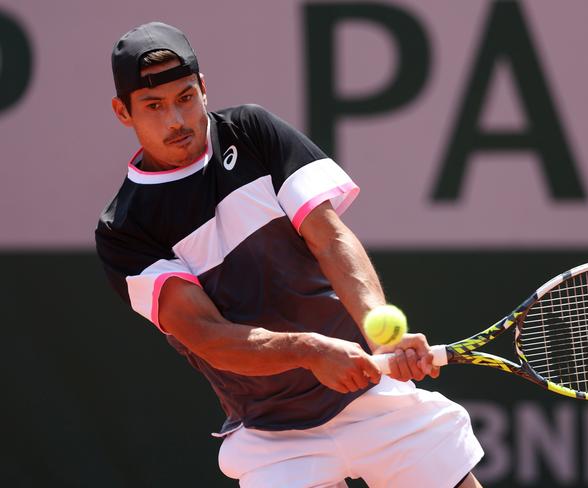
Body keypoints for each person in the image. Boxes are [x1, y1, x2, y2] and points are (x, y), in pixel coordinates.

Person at [95, 21, 484, 488]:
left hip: (371, 397)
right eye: (153, 107)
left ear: (202, 87)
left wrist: (379, 328)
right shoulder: (124, 229)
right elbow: (206, 335)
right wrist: (309, 350)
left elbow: (330, 238)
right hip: (272, 438)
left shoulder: (252, 132)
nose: (176, 120)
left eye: (184, 97)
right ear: (123, 112)